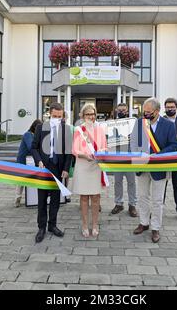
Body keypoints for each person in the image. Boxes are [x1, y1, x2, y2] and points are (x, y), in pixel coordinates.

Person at [130, 98, 177, 243]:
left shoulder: (169, 125)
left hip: (159, 167)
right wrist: (138, 153)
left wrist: (158, 155)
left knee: (157, 200)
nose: (145, 114)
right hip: (142, 166)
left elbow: (173, 145)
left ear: (157, 111)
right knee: (142, 197)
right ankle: (144, 223)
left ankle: (155, 227)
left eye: (149, 112)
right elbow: (133, 141)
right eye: (144, 111)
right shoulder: (140, 123)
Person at [31, 103, 73, 243]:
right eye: (54, 116)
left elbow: (68, 152)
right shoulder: (40, 128)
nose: (57, 118)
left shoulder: (66, 130)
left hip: (58, 168)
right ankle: (41, 227)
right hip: (44, 168)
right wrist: (38, 161)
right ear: (50, 114)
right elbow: (34, 147)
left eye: (59, 117)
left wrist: (66, 169)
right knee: (42, 199)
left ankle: (52, 225)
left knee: (55, 200)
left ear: (63, 116)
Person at [71, 104, 108, 238]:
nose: (91, 117)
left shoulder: (100, 129)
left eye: (93, 114)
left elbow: (104, 146)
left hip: (96, 166)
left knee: (96, 197)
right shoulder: (78, 130)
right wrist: (84, 155)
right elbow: (74, 150)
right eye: (88, 114)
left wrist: (102, 152)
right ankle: (85, 225)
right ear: (82, 116)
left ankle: (95, 224)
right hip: (83, 165)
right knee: (84, 197)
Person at [111, 103, 137, 217]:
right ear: (117, 110)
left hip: (130, 157)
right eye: (120, 110)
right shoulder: (112, 123)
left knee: (131, 182)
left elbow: (139, 137)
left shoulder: (133, 122)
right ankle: (119, 203)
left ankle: (132, 205)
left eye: (124, 110)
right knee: (117, 182)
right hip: (118, 157)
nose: (122, 112)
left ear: (127, 110)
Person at [14, 119, 42, 207]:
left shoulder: (36, 135)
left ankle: (31, 198)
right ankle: (18, 197)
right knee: (21, 180)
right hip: (23, 160)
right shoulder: (28, 134)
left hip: (30, 160)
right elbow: (31, 147)